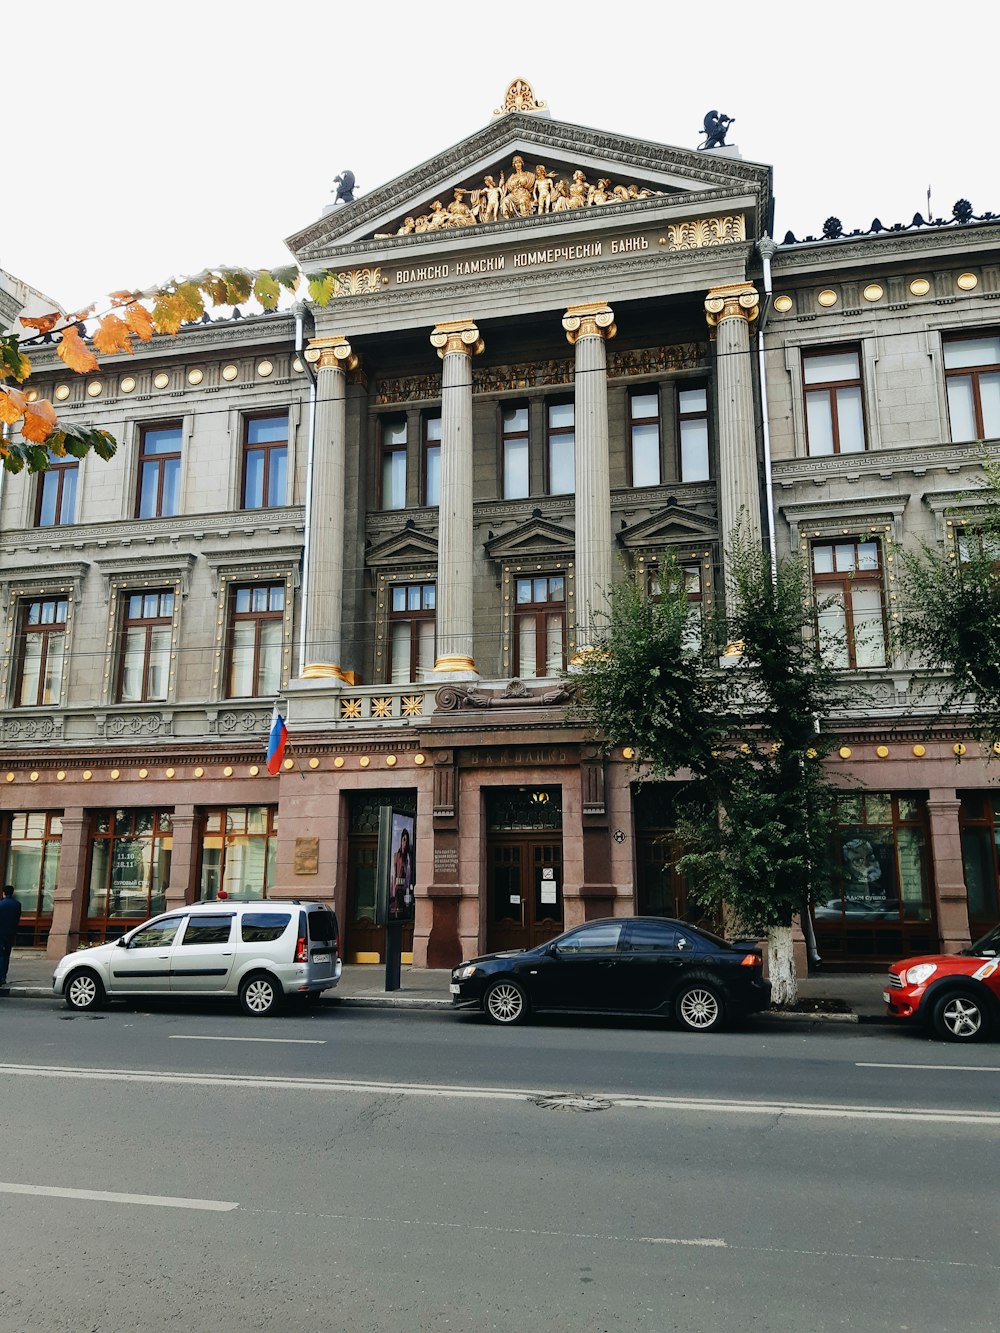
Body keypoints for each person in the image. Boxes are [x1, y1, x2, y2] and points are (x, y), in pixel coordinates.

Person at [0, 885, 22, 987]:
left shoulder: (1, 904)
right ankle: (4, 976)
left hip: (1, 933)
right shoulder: (17, 904)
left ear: (4, 893)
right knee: (6, 955)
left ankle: (0, 977)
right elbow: (17, 919)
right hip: (11, 933)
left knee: (0, 955)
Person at [391, 829, 413, 917]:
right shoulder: (396, 855)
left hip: (407, 886)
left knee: (406, 908)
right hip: (398, 885)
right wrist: (393, 888)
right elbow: (394, 872)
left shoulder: (409, 856)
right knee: (397, 907)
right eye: (404, 840)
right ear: (401, 840)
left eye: (406, 840)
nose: (405, 842)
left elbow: (409, 872)